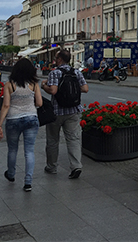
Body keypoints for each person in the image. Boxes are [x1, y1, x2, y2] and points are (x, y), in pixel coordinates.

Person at [0, 58, 42, 192]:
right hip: (31, 118)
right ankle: (28, 181)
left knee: (12, 149)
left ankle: (11, 174)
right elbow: (39, 103)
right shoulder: (34, 84)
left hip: (13, 119)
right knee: (29, 150)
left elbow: (6, 105)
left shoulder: (9, 84)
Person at [41, 49, 88, 179]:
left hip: (57, 111)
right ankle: (76, 166)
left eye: (56, 57)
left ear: (60, 59)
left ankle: (52, 166)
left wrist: (44, 86)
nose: (55, 60)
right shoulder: (76, 72)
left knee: (52, 139)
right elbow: (85, 89)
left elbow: (53, 91)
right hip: (74, 110)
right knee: (73, 139)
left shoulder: (55, 73)